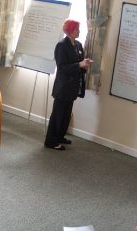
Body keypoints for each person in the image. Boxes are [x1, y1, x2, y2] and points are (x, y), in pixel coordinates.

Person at [44, 19, 93, 151]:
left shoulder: (78, 45)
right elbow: (62, 68)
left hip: (73, 87)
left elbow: (79, 63)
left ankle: (60, 137)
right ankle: (50, 141)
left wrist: (84, 64)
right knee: (58, 115)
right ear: (70, 31)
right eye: (77, 29)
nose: (79, 31)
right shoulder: (61, 45)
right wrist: (79, 64)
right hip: (63, 87)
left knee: (66, 115)